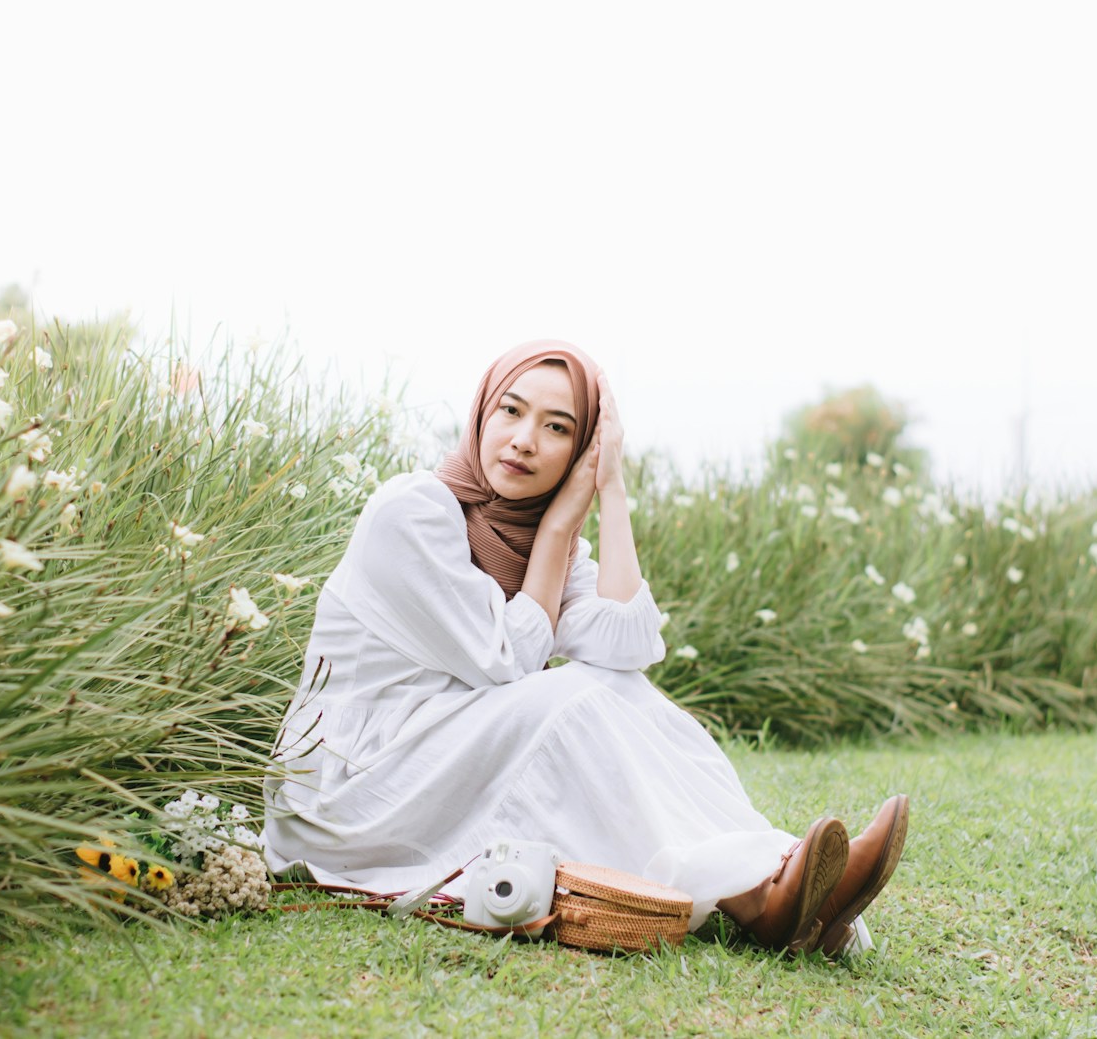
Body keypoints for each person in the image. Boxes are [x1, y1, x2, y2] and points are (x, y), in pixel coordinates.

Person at [263, 340, 908, 956]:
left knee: (620, 687)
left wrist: (611, 490)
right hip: (353, 786)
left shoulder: (541, 539)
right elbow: (507, 661)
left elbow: (629, 643)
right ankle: (766, 897)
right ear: (481, 414)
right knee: (576, 694)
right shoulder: (412, 512)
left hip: (437, 758)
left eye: (557, 428)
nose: (524, 440)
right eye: (511, 411)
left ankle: (782, 884)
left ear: (580, 453)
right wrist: (560, 527)